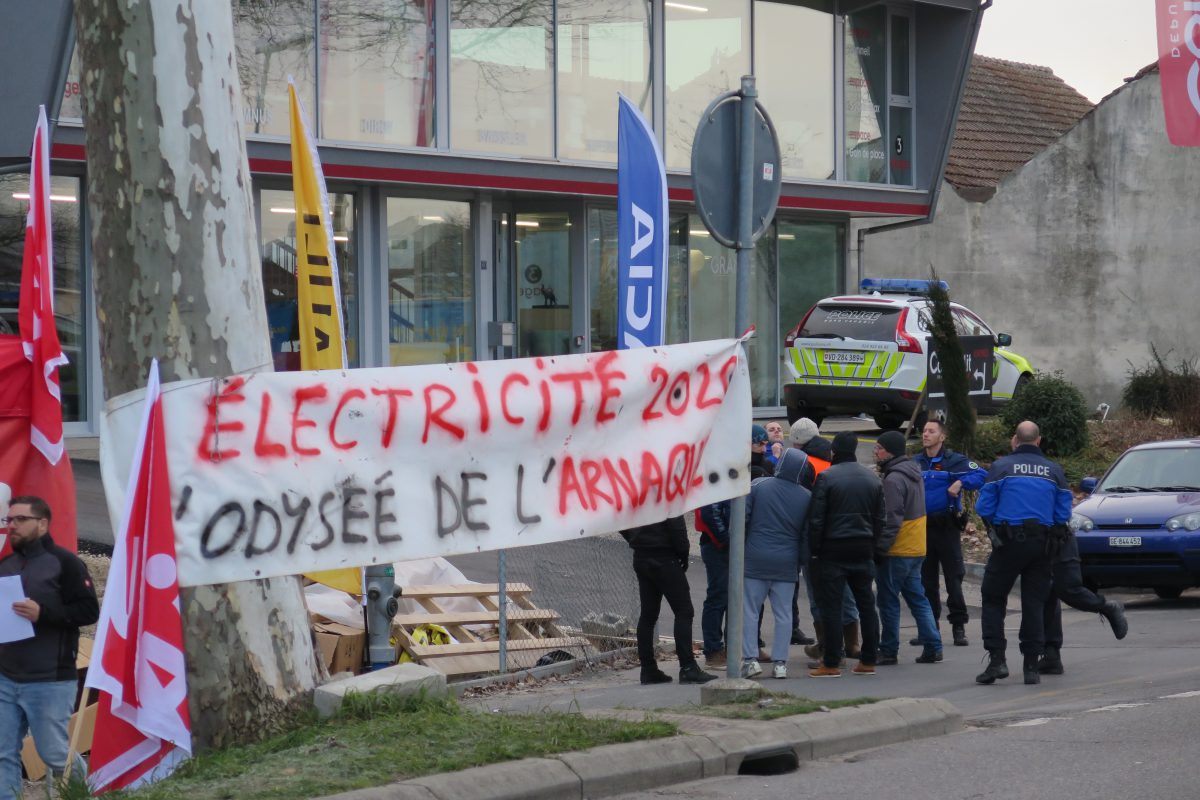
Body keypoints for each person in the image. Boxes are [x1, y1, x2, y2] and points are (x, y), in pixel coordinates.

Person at [0, 496, 99, 798]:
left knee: (55, 754)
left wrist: (43, 614)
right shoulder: (6, 565)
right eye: (9, 520)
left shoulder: (66, 563)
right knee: (3, 753)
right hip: (5, 677)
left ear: (42, 523)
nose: (12, 526)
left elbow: (89, 611)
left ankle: (84, 795)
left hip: (49, 679)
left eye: (20, 520)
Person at [974, 421, 1062, 685]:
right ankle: (1031, 667)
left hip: (1009, 543)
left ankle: (997, 661)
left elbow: (984, 507)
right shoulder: (1054, 471)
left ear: (1016, 439)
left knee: (992, 597)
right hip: (1041, 545)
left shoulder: (1001, 468)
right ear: (1038, 440)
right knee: (1034, 603)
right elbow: (1063, 513)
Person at [806, 432, 883, 678]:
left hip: (833, 548)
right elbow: (881, 518)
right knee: (867, 605)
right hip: (863, 547)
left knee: (832, 606)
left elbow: (817, 518)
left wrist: (815, 549)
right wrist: (873, 544)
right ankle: (868, 660)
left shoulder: (827, 477)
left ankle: (831, 662)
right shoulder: (872, 479)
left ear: (833, 452)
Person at [740, 449, 815, 680]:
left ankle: (751, 660)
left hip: (755, 558)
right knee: (784, 614)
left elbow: (743, 519)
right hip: (786, 562)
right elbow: (806, 534)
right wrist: (800, 560)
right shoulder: (806, 497)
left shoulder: (758, 486)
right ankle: (780, 663)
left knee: (750, 611)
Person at [914, 419, 987, 647]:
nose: (926, 434)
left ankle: (958, 627)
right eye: (924, 431)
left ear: (942, 437)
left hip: (946, 527)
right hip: (921, 526)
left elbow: (983, 475)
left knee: (954, 578)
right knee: (926, 581)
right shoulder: (916, 462)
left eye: (931, 431)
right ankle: (929, 628)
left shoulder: (954, 461)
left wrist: (960, 482)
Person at [873, 432, 944, 665]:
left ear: (890, 451)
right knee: (917, 599)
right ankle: (933, 646)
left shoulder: (893, 479)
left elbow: (892, 518)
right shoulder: (913, 472)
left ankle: (889, 649)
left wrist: (880, 548)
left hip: (898, 549)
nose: (876, 451)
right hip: (916, 546)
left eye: (879, 448)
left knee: (888, 601)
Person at [789, 418, 857, 656]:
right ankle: (852, 644)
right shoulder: (833, 459)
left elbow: (800, 503)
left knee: (818, 594)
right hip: (842, 536)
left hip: (815, 538)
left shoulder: (803, 464)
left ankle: (825, 644)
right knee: (846, 593)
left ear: (797, 442)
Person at [622, 515, 718, 685]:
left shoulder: (634, 491)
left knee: (648, 615)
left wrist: (635, 539)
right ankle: (688, 667)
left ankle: (648, 668)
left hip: (642, 554)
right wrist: (683, 552)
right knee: (684, 611)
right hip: (664, 555)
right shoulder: (664, 489)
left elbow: (620, 520)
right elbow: (676, 523)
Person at [1039, 514, 1129, 675]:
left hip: (1059, 537)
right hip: (1036, 538)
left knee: (1069, 589)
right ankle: (1051, 653)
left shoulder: (1054, 487)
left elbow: (1062, 506)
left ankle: (1107, 607)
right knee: (1045, 592)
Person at [694, 501, 730, 668]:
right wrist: (726, 539)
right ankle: (714, 651)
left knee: (730, 597)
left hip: (722, 544)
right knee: (718, 597)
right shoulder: (718, 481)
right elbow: (709, 513)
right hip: (718, 546)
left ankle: (727, 649)